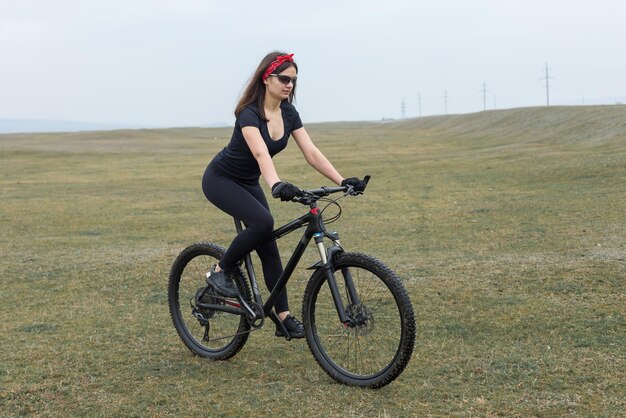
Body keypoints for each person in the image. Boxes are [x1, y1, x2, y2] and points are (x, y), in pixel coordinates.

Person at [202, 51, 366, 339]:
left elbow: (311, 152)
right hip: (221, 179)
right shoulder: (249, 112)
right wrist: (276, 183)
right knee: (263, 223)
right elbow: (259, 151)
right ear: (267, 78)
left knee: (268, 244)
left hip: (249, 181)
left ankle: (283, 318)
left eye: (294, 80)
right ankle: (220, 271)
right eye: (284, 78)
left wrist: (343, 180)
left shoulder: (289, 113)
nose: (290, 84)